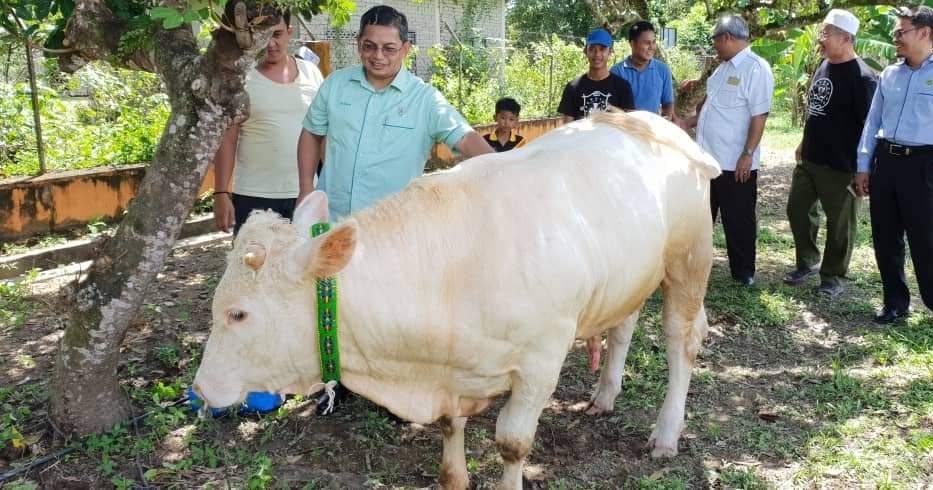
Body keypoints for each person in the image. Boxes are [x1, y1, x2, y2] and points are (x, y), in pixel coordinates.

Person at [297, 5, 494, 412]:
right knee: (334, 303)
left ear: (406, 48)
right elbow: (311, 134)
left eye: (389, 48)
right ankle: (336, 384)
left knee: (394, 311)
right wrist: (305, 190)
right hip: (336, 222)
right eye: (369, 46)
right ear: (358, 45)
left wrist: (503, 173)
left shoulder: (425, 100)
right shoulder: (335, 86)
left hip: (393, 237)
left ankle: (397, 391)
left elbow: (466, 141)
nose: (378, 56)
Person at [783, 9, 878, 297]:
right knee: (797, 210)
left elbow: (871, 128)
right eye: (821, 32)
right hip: (810, 158)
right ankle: (807, 262)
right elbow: (816, 110)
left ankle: (833, 277)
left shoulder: (864, 78)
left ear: (846, 38)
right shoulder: (823, 66)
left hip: (842, 166)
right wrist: (803, 141)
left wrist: (865, 168)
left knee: (840, 226)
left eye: (826, 33)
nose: (819, 39)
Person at [678, 15, 774, 287]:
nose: (714, 47)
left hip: (735, 163)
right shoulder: (721, 70)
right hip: (706, 161)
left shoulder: (756, 69)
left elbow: (759, 116)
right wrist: (686, 122)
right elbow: (710, 111)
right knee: (701, 217)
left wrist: (748, 153)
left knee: (739, 220)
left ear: (727, 38)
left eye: (715, 41)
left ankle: (743, 273)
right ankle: (695, 265)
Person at [854, 5, 933, 324]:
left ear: (925, 33)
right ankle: (895, 302)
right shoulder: (889, 74)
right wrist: (863, 164)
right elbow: (872, 123)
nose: (895, 37)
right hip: (887, 161)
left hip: (924, 165)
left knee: (926, 237)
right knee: (885, 237)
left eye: (901, 32)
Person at [212, 9, 323, 235]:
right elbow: (228, 138)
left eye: (278, 34)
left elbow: (324, 133)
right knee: (252, 267)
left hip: (306, 193)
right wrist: (221, 193)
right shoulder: (241, 77)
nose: (271, 43)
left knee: (306, 267)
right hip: (254, 195)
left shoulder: (311, 73)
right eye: (264, 36)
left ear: (289, 33)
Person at [557, 27, 635, 122]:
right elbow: (567, 125)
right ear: (586, 51)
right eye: (592, 49)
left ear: (610, 52)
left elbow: (631, 125)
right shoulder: (573, 87)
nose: (597, 54)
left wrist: (615, 113)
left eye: (602, 49)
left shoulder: (622, 87)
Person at [609, 21, 675, 118]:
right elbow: (611, 108)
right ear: (632, 44)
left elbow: (668, 103)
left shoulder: (663, 70)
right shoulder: (617, 72)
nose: (651, 47)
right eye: (646, 43)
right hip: (624, 129)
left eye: (653, 42)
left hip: (653, 130)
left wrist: (665, 121)